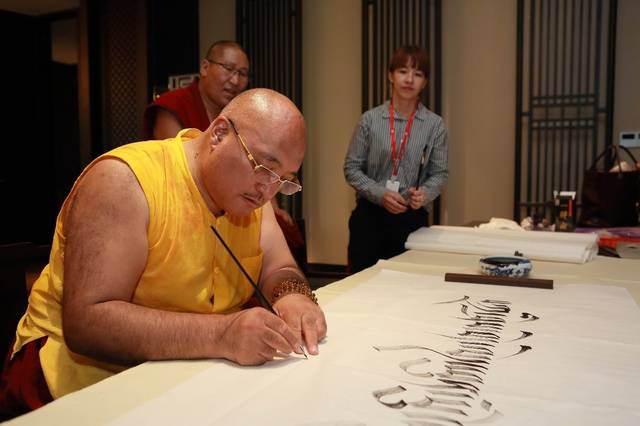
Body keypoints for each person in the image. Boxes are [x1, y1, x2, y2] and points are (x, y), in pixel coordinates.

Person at [0, 89, 327, 419]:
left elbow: (280, 267)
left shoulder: (252, 194)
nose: (268, 191)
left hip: (192, 368)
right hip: (81, 382)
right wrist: (223, 334)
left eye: (283, 180)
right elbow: (88, 322)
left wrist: (293, 298)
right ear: (219, 134)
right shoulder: (124, 182)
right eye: (263, 167)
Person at [143, 40, 303, 265]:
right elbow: (175, 166)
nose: (235, 80)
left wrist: (272, 209)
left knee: (284, 233)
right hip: (187, 205)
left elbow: (263, 165)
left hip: (236, 205)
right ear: (205, 67)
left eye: (243, 73)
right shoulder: (174, 105)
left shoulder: (242, 115)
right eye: (228, 69)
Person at [344, 45, 448, 273]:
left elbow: (439, 173)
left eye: (418, 74)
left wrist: (425, 194)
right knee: (363, 289)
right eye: (403, 71)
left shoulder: (434, 125)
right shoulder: (369, 120)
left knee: (408, 289)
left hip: (411, 219)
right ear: (390, 75)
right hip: (369, 218)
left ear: (425, 82)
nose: (409, 79)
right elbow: (352, 168)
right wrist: (381, 194)